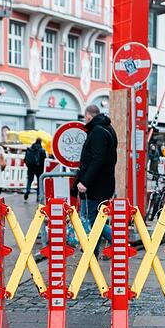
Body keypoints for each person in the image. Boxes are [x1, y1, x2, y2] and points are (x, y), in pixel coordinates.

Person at [73, 105, 118, 249]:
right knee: (97, 219)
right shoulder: (108, 129)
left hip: (95, 186)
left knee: (92, 220)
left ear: (88, 116)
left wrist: (85, 181)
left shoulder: (98, 131)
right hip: (103, 184)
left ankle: (119, 242)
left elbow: (97, 159)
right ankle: (93, 251)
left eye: (85, 117)